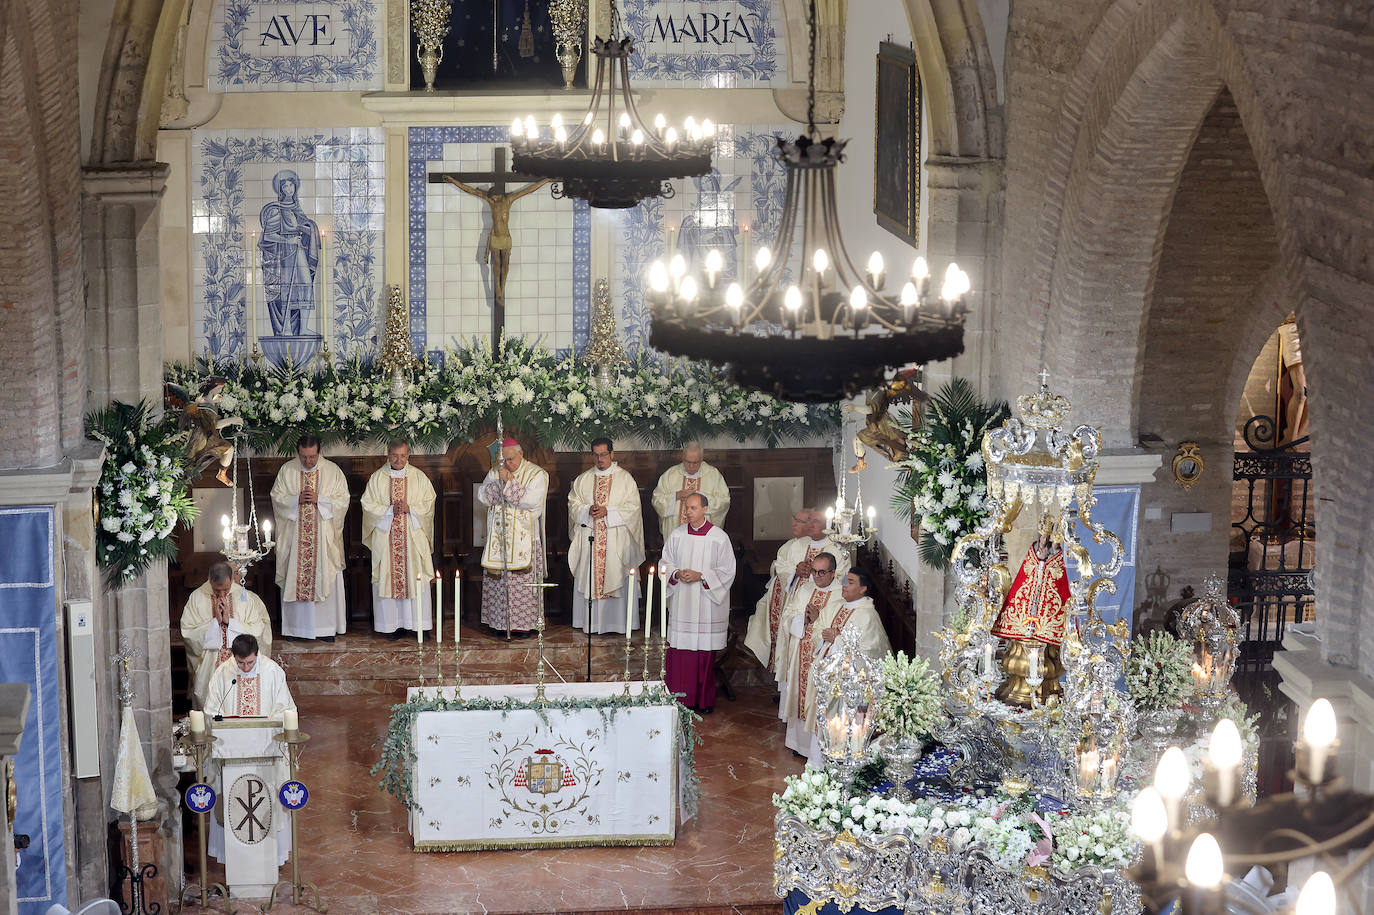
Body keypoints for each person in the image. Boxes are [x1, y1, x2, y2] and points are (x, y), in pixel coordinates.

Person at [204, 634, 296, 867]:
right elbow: (211, 710)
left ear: (258, 654)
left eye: (250, 663)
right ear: (234, 656)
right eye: (241, 663)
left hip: (266, 750)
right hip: (231, 755)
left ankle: (270, 857)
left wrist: (264, 726)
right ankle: (234, 859)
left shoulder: (273, 672)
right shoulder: (223, 672)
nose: (245, 668)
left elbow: (286, 709)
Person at [794, 569, 890, 766]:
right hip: (827, 679)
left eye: (851, 582)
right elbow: (818, 630)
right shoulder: (836, 606)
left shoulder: (868, 616)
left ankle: (843, 767)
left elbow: (870, 653)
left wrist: (836, 639)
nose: (844, 585)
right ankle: (817, 766)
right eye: (845, 580)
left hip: (850, 687)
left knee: (845, 729)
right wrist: (827, 637)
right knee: (823, 724)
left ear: (863, 589)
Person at [744, 509, 850, 678]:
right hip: (796, 602)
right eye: (809, 520)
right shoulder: (797, 544)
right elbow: (780, 566)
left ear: (828, 525)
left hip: (824, 607)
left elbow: (842, 578)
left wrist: (814, 576)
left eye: (815, 521)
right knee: (791, 645)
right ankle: (787, 684)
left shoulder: (837, 548)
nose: (810, 524)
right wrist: (795, 570)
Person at [661, 493, 737, 713]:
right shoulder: (676, 535)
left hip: (706, 605)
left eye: (693, 508)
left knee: (703, 653)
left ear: (705, 509)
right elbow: (665, 561)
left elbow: (728, 570)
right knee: (681, 653)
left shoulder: (718, 537)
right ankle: (678, 699)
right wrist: (675, 573)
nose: (688, 512)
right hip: (683, 603)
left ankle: (702, 701)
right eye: (687, 508)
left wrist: (701, 576)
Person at [270, 434, 350, 642]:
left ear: (319, 452)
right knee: (296, 576)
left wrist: (320, 500)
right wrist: (294, 500)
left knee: (325, 575)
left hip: (323, 539)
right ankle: (297, 629)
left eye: (312, 457)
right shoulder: (287, 471)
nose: (308, 461)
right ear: (298, 453)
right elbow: (276, 498)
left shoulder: (332, 472)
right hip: (295, 538)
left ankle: (326, 629)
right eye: (304, 457)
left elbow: (343, 500)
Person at [568, 438, 645, 634]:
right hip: (590, 539)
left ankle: (618, 624)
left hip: (616, 539)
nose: (600, 459)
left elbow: (633, 508)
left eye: (603, 454)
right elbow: (573, 505)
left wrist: (608, 511)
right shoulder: (583, 479)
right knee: (590, 575)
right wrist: (588, 509)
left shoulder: (625, 478)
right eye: (596, 455)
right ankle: (591, 623)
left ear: (612, 454)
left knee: (616, 573)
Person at [361, 440, 436, 639]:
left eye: (403, 455)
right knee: (388, 579)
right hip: (387, 541)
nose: (399, 459)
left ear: (408, 455)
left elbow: (429, 504)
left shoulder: (419, 477)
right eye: (395, 455)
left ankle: (419, 625)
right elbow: (367, 505)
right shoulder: (377, 478)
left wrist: (411, 509)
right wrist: (388, 511)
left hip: (412, 541)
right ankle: (392, 626)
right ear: (388, 454)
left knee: (416, 580)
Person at [477, 437, 549, 637]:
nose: (507, 464)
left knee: (522, 586)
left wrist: (509, 483)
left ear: (521, 454)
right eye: (503, 460)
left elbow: (531, 502)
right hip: (499, 539)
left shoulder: (537, 474)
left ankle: (523, 625)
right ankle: (499, 624)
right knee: (499, 583)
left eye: (510, 459)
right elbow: (482, 496)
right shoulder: (495, 471)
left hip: (525, 539)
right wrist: (498, 482)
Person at [778, 553, 845, 756]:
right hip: (800, 653)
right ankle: (799, 745)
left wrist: (817, 620)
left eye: (822, 572)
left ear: (833, 573)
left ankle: (816, 750)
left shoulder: (840, 595)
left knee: (817, 699)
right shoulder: (805, 589)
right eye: (814, 571)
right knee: (799, 694)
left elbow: (839, 628)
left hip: (823, 658)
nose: (816, 576)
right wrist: (802, 620)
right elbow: (787, 616)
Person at [180, 561, 272, 708]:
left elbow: (258, 630)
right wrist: (215, 623)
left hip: (241, 660)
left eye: (226, 589)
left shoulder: (247, 598)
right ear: (210, 581)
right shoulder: (197, 598)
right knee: (209, 700)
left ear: (232, 579)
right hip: (210, 662)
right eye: (217, 591)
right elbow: (188, 633)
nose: (222, 595)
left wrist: (231, 623)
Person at [259, 169, 322, 337]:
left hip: (298, 250)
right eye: (285, 186)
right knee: (286, 289)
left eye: (291, 185)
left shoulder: (296, 208)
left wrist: (309, 228)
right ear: (280, 190)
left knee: (306, 284)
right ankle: (285, 327)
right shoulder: (275, 210)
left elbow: (303, 227)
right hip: (283, 255)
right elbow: (268, 235)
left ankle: (303, 328)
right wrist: (287, 240)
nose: (288, 189)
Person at [991, 520, 1071, 646]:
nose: (1044, 541)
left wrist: (1051, 555)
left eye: (1047, 538)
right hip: (1028, 606)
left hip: (1045, 610)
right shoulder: (1034, 551)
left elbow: (1057, 576)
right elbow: (1026, 574)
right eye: (1043, 537)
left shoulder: (1056, 555)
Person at [651, 441, 731, 542]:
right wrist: (675, 496)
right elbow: (657, 500)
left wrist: (701, 497)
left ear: (701, 459)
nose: (691, 466)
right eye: (688, 462)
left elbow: (724, 502)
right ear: (682, 458)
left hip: (704, 538)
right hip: (676, 533)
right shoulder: (670, 474)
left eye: (695, 462)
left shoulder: (713, 475)